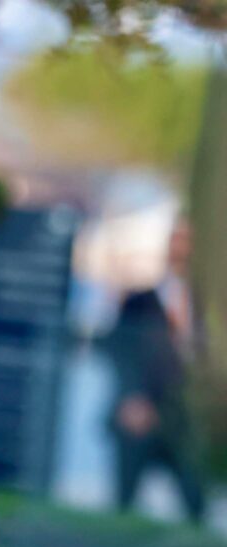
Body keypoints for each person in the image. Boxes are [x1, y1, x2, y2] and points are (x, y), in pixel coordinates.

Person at [108, 218, 207, 522]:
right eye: (177, 239)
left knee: (195, 499)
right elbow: (121, 350)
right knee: (125, 500)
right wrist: (132, 396)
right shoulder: (139, 300)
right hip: (142, 410)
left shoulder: (202, 304)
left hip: (184, 417)